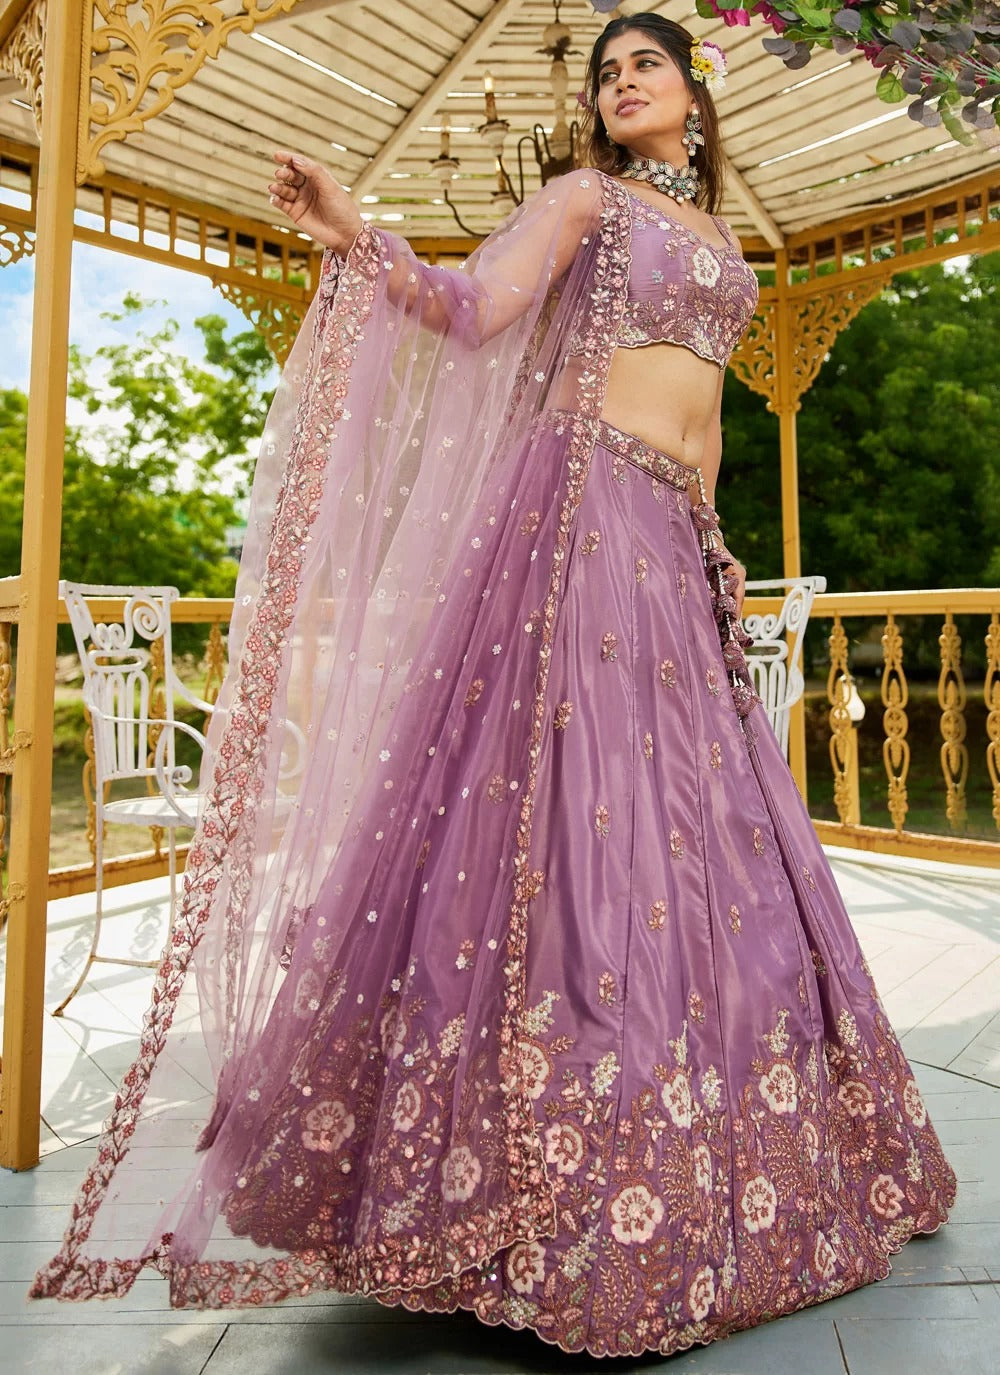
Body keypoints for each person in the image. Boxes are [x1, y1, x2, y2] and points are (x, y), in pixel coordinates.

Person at [33, 13, 955, 1359]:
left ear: (695, 92)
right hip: (579, 520)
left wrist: (714, 538)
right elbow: (472, 311)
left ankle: (722, 1147)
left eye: (648, 63)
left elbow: (703, 419)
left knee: (709, 843)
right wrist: (361, 230)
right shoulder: (585, 197)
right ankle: (528, 1193)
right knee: (573, 833)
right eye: (608, 71)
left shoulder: (727, 246)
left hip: (671, 537)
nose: (625, 81)